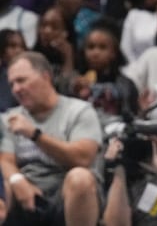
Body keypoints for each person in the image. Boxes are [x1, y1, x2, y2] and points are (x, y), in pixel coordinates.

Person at [1, 51, 103, 226]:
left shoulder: (79, 111)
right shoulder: (10, 117)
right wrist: (18, 181)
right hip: (27, 190)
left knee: (80, 178)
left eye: (21, 80)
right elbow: (5, 159)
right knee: (4, 184)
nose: (16, 89)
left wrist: (35, 135)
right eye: (12, 84)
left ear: (46, 77)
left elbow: (83, 158)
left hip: (66, 191)